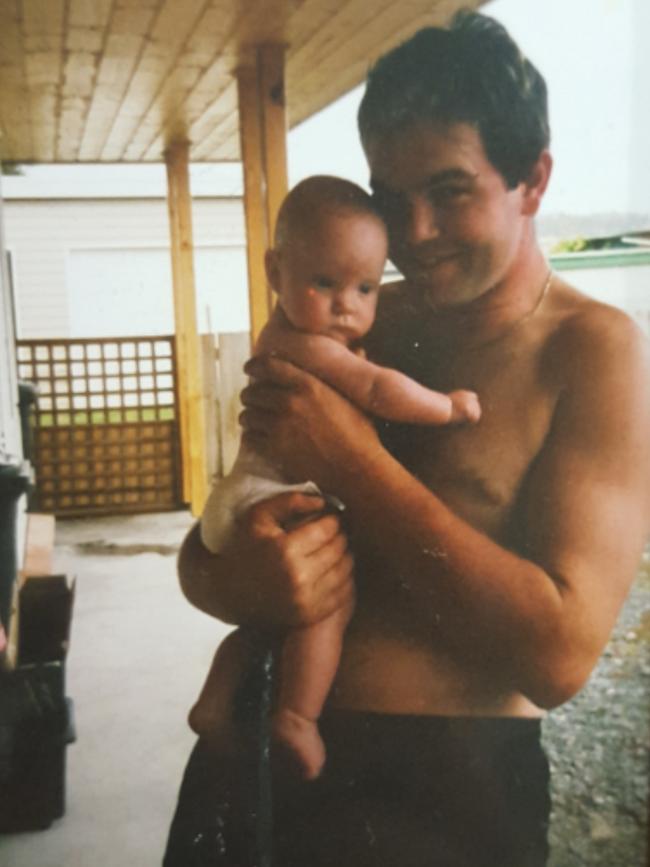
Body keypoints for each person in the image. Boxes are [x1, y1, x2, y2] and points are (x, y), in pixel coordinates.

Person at [164, 10, 650, 867]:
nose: (414, 232)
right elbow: (210, 543)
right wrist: (232, 576)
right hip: (255, 749)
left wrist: (354, 462)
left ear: (532, 180)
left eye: (450, 191)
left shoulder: (595, 350)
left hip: (441, 793)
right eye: (393, 199)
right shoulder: (353, 322)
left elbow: (560, 654)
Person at [191, 175, 480, 782]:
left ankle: (217, 699)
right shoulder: (303, 343)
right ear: (275, 272)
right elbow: (378, 390)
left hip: (244, 498)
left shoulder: (303, 331)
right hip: (269, 497)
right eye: (324, 283)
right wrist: (448, 407)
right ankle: (297, 716)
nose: (347, 305)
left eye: (365, 287)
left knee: (269, 621)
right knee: (328, 605)